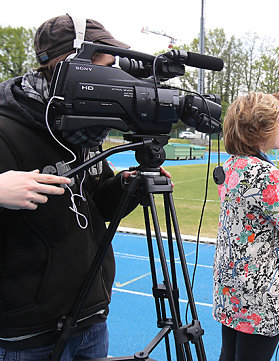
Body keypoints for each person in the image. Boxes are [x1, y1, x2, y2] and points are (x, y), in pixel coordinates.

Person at [0, 14, 172, 360]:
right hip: (29, 336)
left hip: (90, 320)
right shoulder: (6, 127)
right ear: (71, 68)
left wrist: (126, 186)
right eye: (105, 67)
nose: (114, 79)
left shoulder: (83, 128)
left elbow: (98, 205)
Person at [212, 92, 279, 361]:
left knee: (229, 355)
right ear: (259, 129)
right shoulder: (266, 175)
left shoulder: (232, 166)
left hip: (232, 287)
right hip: (261, 295)